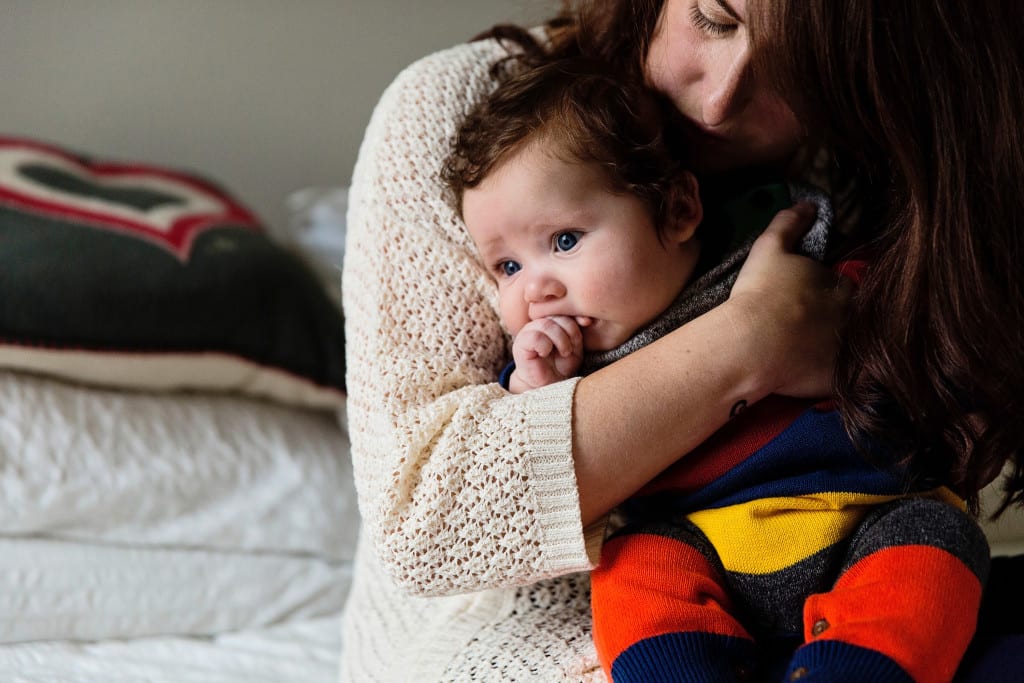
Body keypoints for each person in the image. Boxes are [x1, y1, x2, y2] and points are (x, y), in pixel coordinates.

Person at [339, 1, 1024, 680]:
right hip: (530, 621)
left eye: (795, 68)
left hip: (850, 563)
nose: (720, 99)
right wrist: (754, 337)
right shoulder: (458, 110)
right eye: (714, 19)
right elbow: (427, 526)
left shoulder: (868, 169)